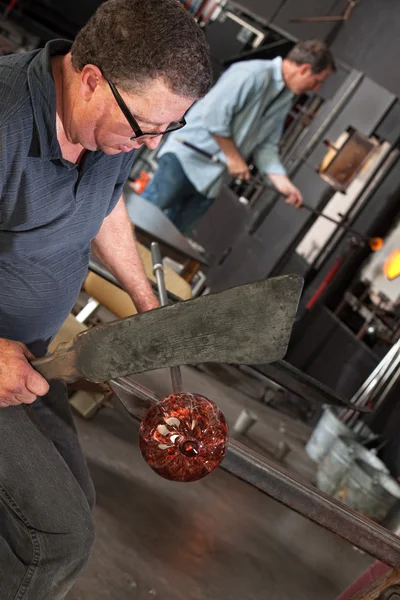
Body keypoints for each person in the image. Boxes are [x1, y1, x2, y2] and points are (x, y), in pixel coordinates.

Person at [0, 1, 211, 598]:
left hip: (32, 356)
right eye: (145, 127)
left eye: (170, 128)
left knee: (76, 503)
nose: (150, 142)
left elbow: (104, 201)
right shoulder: (6, 120)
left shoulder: (112, 129)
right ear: (91, 78)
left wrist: (147, 301)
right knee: (54, 536)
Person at [142, 39, 335, 235]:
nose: (316, 88)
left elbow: (265, 146)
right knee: (141, 221)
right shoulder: (252, 74)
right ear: (304, 69)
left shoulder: (285, 98)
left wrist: (282, 182)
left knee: (171, 240)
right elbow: (214, 115)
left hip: (213, 180)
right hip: (186, 160)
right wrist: (233, 158)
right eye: (317, 80)